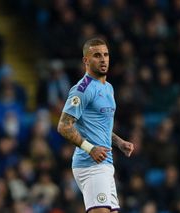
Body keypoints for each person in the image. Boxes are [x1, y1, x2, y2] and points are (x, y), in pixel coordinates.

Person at [57, 38, 134, 213]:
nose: (103, 59)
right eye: (97, 55)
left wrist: (119, 142)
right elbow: (64, 126)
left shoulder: (108, 88)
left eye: (106, 55)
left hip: (105, 164)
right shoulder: (82, 89)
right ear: (86, 60)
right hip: (90, 165)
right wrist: (90, 148)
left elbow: (100, 126)